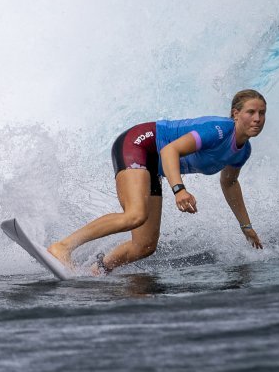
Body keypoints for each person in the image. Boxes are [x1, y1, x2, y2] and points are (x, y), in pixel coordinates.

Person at [47, 89, 267, 274]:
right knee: (135, 215)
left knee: (145, 245)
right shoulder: (218, 131)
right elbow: (170, 150)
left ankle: (97, 270)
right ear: (235, 114)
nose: (257, 118)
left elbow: (229, 184)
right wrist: (179, 189)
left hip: (153, 165)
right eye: (251, 112)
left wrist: (245, 226)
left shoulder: (242, 151)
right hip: (140, 144)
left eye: (262, 113)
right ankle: (62, 247)